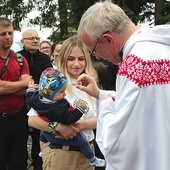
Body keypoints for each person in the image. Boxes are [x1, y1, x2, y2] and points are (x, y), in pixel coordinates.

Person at [76, 1, 170, 170]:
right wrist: (101, 94)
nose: (98, 56)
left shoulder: (134, 64)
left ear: (108, 40)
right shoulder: (163, 46)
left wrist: (105, 105)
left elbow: (118, 143)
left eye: (94, 51)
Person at [28, 35, 99, 170]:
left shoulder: (90, 84)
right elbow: (32, 120)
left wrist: (77, 125)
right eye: (71, 59)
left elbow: (100, 117)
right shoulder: (53, 82)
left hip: (87, 153)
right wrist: (56, 127)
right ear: (62, 58)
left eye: (81, 59)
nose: (76, 64)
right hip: (61, 153)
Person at [26, 67, 106, 167]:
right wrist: (80, 109)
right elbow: (70, 118)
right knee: (82, 142)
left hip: (50, 137)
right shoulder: (57, 108)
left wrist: (30, 89)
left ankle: (42, 150)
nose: (64, 94)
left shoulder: (38, 98)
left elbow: (29, 97)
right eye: (71, 58)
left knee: (42, 135)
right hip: (62, 148)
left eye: (81, 58)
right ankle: (93, 160)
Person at [0, 17, 33, 170]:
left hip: (19, 118)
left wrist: (6, 87)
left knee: (19, 162)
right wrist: (21, 84)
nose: (7, 37)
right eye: (3, 34)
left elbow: (28, 87)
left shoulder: (20, 59)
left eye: (10, 33)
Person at [18, 29, 52, 170]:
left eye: (37, 38)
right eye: (31, 38)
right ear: (22, 41)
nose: (35, 41)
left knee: (39, 134)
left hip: (41, 99)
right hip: (21, 99)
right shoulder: (17, 57)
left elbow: (50, 78)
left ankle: (38, 164)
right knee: (21, 134)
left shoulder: (44, 58)